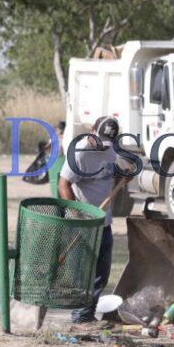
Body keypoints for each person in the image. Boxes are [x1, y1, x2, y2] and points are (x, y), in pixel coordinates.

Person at [58, 116, 120, 327]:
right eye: (100, 139)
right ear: (92, 130)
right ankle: (81, 318)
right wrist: (78, 217)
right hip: (84, 223)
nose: (102, 145)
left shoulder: (111, 150)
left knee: (101, 274)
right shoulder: (79, 154)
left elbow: (111, 173)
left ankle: (88, 315)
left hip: (104, 223)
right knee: (84, 273)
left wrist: (125, 175)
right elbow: (63, 185)